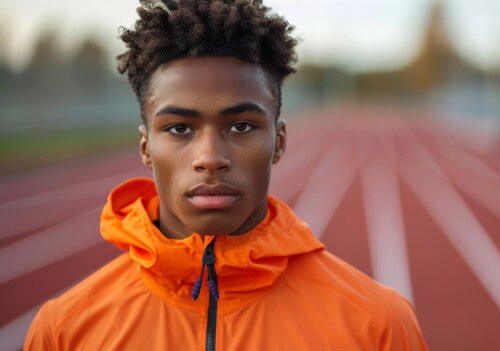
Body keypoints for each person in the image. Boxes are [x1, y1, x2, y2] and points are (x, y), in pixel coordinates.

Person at [24, 0, 428, 349]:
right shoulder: (64, 330)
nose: (210, 158)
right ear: (146, 147)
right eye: (180, 128)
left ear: (279, 141)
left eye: (240, 127)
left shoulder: (377, 324)